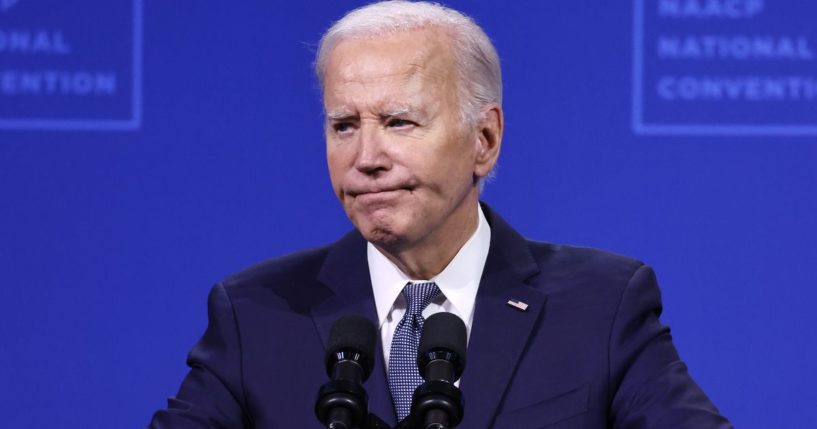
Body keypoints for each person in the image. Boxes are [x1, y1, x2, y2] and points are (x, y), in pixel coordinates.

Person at [150, 1, 731, 428]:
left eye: (399, 122)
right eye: (344, 126)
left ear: (485, 138)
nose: (366, 159)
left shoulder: (602, 307)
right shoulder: (256, 313)